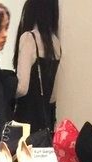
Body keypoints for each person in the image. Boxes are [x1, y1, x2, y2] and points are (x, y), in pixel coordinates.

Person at [12, 0, 60, 132]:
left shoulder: (29, 38)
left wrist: (6, 90)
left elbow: (22, 88)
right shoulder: (56, 43)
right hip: (44, 125)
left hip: (24, 121)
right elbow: (53, 96)